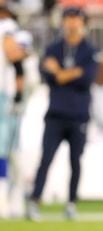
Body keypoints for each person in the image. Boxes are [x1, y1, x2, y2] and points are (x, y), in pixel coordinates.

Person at [27, 6, 98, 221]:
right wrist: (70, 73)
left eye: (76, 19)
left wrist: (59, 72)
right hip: (56, 113)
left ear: (83, 22)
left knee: (75, 161)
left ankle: (71, 202)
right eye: (68, 18)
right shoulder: (54, 47)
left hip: (78, 114)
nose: (72, 23)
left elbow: (86, 78)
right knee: (46, 158)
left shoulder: (89, 49)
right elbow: (47, 76)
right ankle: (35, 200)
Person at [0, 6, 32, 218]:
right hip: (8, 94)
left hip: (6, 95)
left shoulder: (7, 27)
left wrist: (19, 93)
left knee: (7, 149)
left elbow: (16, 57)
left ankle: (9, 198)